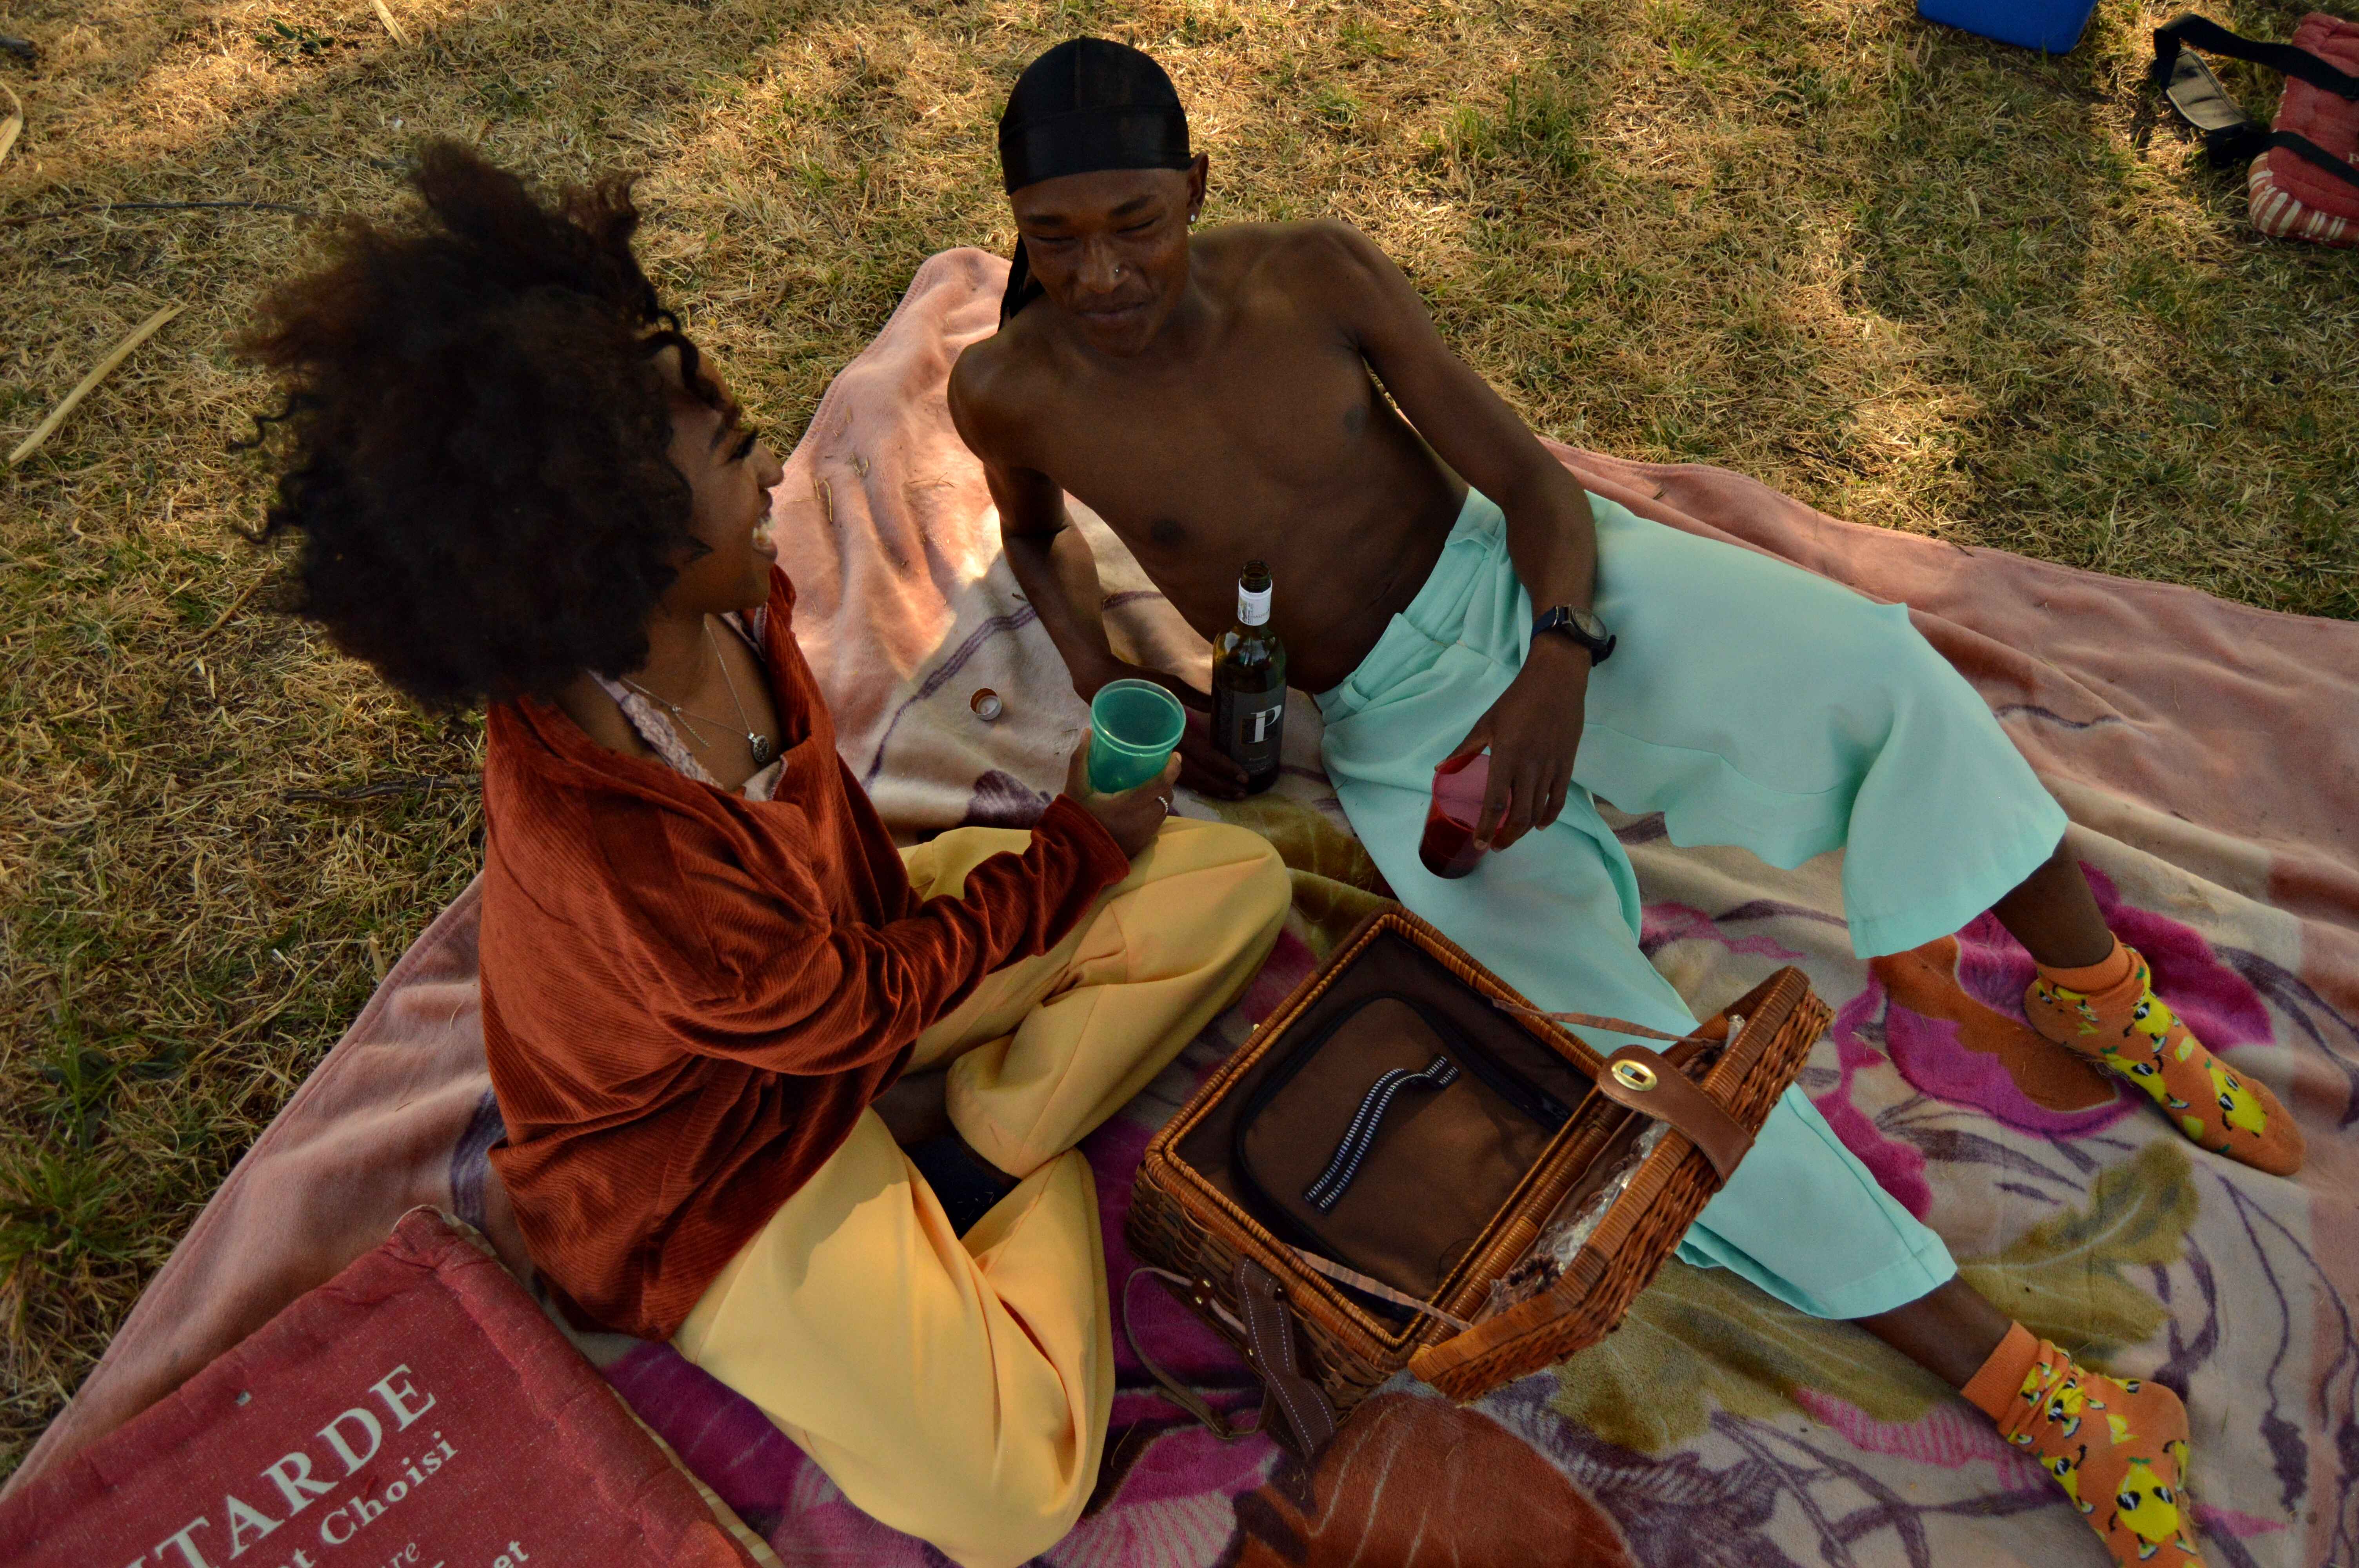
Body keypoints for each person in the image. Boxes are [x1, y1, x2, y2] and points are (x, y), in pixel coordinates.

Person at [952, 38, 2306, 1568]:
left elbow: (1535, 490)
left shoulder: (1312, 279)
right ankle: (2055, 1401)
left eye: (1135, 223)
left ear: (1196, 188)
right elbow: (1035, 541)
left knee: (1881, 670)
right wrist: (1112, 672)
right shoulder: (1009, 390)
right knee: (1633, 1076)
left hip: (1532, 593)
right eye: (1055, 237)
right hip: (1390, 735)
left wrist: (1558, 658)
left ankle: (2093, 991)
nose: (1102, 274)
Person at [241, 142, 1292, 1568]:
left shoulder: (730, 607)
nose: (775, 476)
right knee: (1016, 1494)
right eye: (739, 461)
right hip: (714, 1165)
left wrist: (1051, 879)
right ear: (618, 555)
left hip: (853, 967)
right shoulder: (622, 847)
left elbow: (851, 953)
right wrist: (1071, 859)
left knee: (1236, 881)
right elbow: (842, 1010)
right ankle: (997, 1154)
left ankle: (970, 1141)